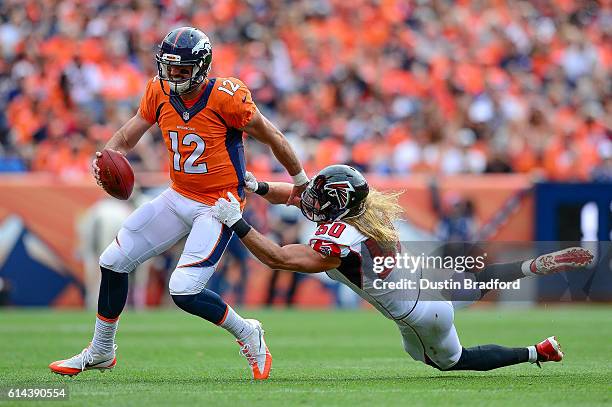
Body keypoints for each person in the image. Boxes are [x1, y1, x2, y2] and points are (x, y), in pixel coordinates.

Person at [49, 27, 309, 381]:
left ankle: (248, 331)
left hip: (219, 204)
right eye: (169, 68)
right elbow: (128, 134)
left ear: (202, 67)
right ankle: (101, 350)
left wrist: (301, 181)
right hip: (178, 194)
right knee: (112, 261)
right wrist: (108, 157)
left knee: (184, 290)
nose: (174, 76)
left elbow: (273, 135)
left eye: (183, 70)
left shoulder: (227, 96)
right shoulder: (158, 90)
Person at [211, 165, 595, 372]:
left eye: (321, 198)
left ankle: (536, 352)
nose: (309, 199)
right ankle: (533, 266)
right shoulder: (369, 209)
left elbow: (279, 257)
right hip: (426, 286)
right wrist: (255, 185)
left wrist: (238, 222)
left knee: (453, 362)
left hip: (417, 316)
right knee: (478, 282)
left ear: (338, 205)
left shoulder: (340, 240)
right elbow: (298, 194)